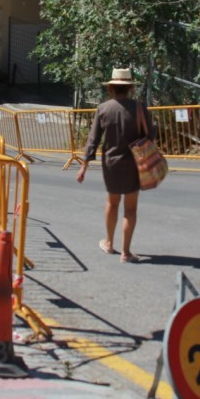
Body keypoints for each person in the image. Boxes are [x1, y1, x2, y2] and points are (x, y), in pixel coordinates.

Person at [76, 68, 153, 263]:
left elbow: (93, 140)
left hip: (111, 163)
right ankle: (126, 253)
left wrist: (84, 165)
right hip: (134, 163)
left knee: (112, 202)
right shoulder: (139, 108)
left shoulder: (103, 109)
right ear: (130, 88)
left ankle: (109, 243)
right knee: (130, 208)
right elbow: (151, 135)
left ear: (110, 87)